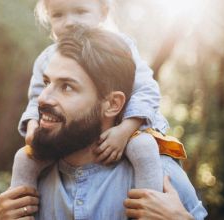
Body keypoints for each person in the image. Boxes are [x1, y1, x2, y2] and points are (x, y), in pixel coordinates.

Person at [0, 27, 207, 219]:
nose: (43, 98)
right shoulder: (32, 182)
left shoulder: (160, 178)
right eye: (47, 82)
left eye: (67, 87)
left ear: (112, 104)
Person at [12, 0, 184, 195]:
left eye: (80, 11)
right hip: (70, 134)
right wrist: (33, 125)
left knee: (143, 146)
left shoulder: (118, 48)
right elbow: (37, 99)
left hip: (128, 126)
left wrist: (125, 130)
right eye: (58, 15)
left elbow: (146, 90)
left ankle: (150, 202)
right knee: (24, 158)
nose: (69, 22)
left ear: (103, 13)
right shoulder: (46, 58)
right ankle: (19, 208)